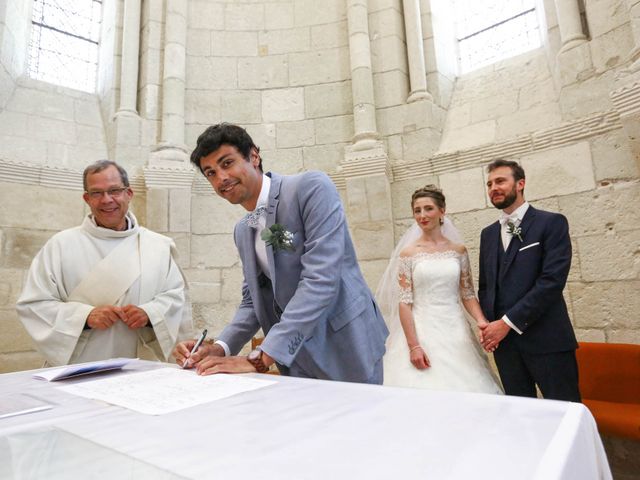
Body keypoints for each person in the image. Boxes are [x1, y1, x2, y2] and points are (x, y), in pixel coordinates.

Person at [173, 123, 389, 383]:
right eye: (210, 173)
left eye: (227, 163)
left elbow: (321, 279)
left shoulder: (310, 188)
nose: (221, 178)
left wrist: (261, 358)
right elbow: (253, 302)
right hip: (294, 358)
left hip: (346, 344)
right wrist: (221, 347)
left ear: (254, 156)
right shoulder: (243, 231)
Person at [16, 160, 193, 366]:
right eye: (96, 193)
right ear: (86, 198)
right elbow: (33, 305)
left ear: (129, 193)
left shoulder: (158, 246)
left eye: (114, 190)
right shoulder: (61, 245)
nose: (107, 200)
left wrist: (149, 313)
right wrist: (84, 317)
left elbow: (175, 297)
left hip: (141, 367)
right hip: (79, 366)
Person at [378, 185, 502, 394]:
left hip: (455, 329)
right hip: (422, 329)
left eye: (428, 209)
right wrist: (413, 346)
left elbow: (468, 293)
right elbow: (405, 303)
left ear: (442, 211)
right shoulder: (409, 254)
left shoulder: (458, 251)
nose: (422, 215)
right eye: (417, 210)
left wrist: (482, 322)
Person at [478, 159, 581, 402]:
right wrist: (490, 327)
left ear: (520, 183)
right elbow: (486, 286)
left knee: (565, 411)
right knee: (520, 414)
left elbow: (551, 282)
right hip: (506, 347)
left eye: (501, 181)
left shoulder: (551, 223)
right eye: (490, 183)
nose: (494, 187)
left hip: (547, 341)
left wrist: (506, 323)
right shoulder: (488, 234)